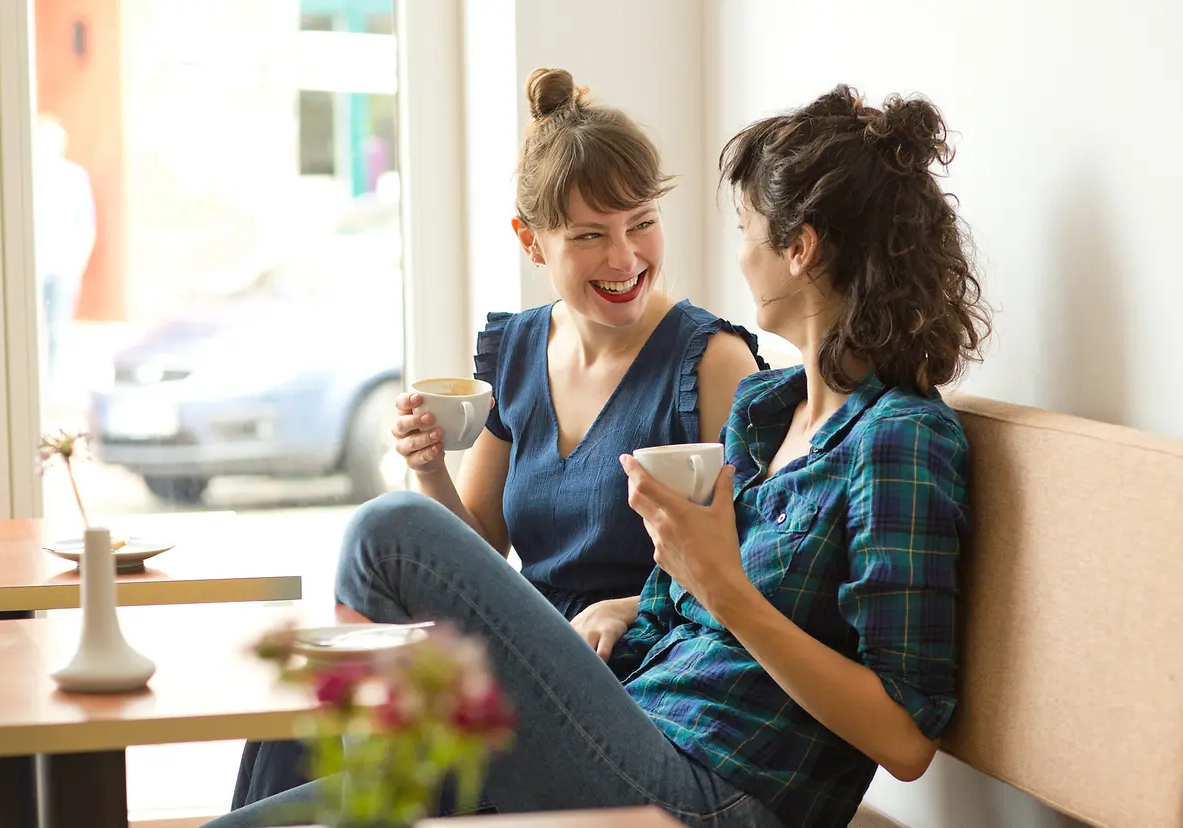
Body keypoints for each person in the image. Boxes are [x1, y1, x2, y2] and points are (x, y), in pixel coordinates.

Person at [210, 83, 990, 828]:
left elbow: (905, 738)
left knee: (390, 533)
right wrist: (642, 603)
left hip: (709, 795)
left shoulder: (898, 437)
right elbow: (681, 602)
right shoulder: (768, 411)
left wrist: (721, 588)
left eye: (746, 230)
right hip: (633, 722)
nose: (740, 255)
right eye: (590, 234)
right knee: (299, 732)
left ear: (800, 249)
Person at [230, 67, 769, 810]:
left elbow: (753, 565)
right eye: (589, 236)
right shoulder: (518, 350)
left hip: (627, 685)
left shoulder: (712, 362)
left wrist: (632, 606)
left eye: (641, 223)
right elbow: (480, 548)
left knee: (378, 551)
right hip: (515, 664)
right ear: (530, 241)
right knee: (307, 692)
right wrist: (429, 470)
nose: (625, 258)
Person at [33, 115, 96, 386]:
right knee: (31, 327)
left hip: (62, 266)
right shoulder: (27, 176)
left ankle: (54, 384)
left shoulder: (73, 177)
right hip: (34, 266)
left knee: (58, 329)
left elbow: (85, 223)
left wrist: (77, 260)